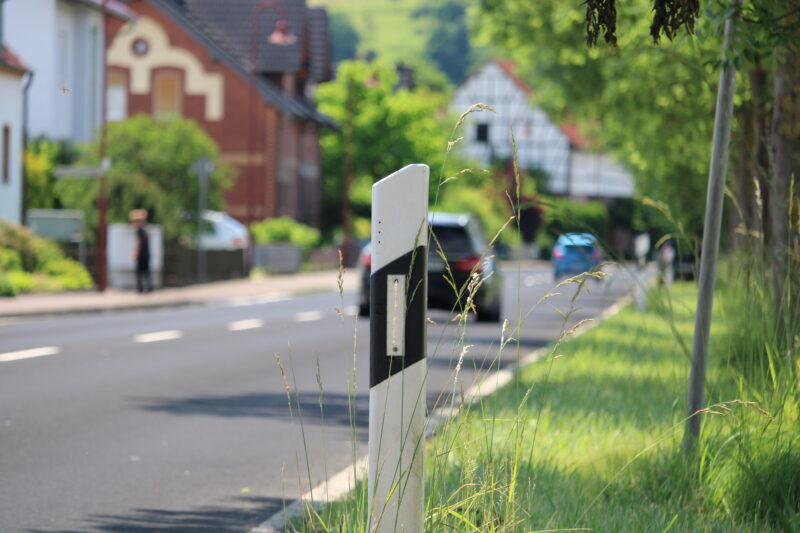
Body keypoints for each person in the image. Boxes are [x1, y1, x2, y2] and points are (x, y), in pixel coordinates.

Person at [130, 209, 152, 293]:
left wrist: (136, 253)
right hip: (147, 254)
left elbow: (139, 243)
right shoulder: (146, 229)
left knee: (139, 272)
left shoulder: (139, 230)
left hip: (142, 254)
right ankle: (149, 287)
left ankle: (140, 288)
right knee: (146, 271)